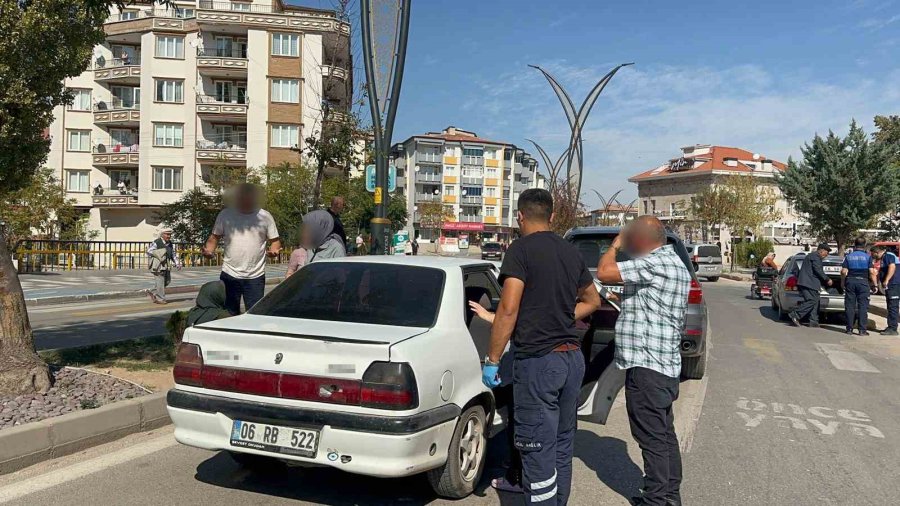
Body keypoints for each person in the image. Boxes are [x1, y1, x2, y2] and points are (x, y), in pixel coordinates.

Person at [483, 188, 601, 505]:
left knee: (535, 450)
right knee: (561, 445)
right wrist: (561, 317)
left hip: (539, 363)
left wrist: (492, 358)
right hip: (571, 361)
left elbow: (508, 309)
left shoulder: (520, 251)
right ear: (551, 217)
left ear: (520, 216)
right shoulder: (570, 252)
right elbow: (593, 300)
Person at [595, 216, 691, 506]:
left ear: (640, 239)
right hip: (663, 366)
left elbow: (604, 271)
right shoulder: (673, 264)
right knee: (663, 435)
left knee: (651, 439)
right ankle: (669, 497)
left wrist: (614, 245)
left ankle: (656, 500)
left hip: (648, 367)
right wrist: (615, 299)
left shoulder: (654, 263)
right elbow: (646, 303)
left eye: (629, 239)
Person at [468, 301, 524, 494]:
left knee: (519, 423)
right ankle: (520, 466)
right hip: (532, 366)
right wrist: (489, 315)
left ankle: (518, 477)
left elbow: (510, 320)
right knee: (520, 420)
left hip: (520, 365)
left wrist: (492, 360)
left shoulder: (524, 290)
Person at [203, 183, 281, 315]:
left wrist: (274, 251)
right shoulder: (226, 215)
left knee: (255, 314)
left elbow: (275, 241)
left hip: (255, 275)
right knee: (228, 313)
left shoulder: (265, 216)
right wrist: (209, 251)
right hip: (230, 274)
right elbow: (214, 237)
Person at [789, 243, 833, 328]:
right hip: (808, 283)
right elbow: (818, 270)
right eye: (826, 252)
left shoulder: (813, 256)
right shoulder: (815, 257)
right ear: (821, 250)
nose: (827, 255)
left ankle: (813, 321)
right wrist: (827, 279)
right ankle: (795, 314)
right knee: (811, 300)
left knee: (815, 301)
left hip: (810, 283)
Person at [841, 237, 876, 336]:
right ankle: (862, 330)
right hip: (863, 282)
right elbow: (871, 272)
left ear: (854, 244)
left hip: (851, 281)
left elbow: (843, 271)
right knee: (863, 306)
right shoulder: (868, 257)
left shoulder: (849, 256)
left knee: (849, 306)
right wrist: (875, 285)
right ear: (864, 245)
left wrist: (843, 282)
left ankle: (849, 329)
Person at [147, 228, 181, 304]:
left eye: (170, 234)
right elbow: (149, 251)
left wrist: (177, 263)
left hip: (167, 264)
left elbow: (172, 254)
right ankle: (161, 299)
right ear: (162, 235)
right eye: (167, 234)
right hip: (158, 265)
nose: (169, 236)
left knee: (167, 281)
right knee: (160, 281)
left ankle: (152, 291)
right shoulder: (157, 242)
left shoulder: (170, 243)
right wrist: (159, 253)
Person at [872, 245, 900, 336]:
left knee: (893, 306)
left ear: (877, 252)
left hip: (894, 284)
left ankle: (893, 328)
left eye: (874, 255)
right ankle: (891, 326)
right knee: (890, 306)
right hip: (891, 285)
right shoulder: (885, 257)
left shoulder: (888, 255)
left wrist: (886, 280)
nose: (873, 257)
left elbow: (892, 267)